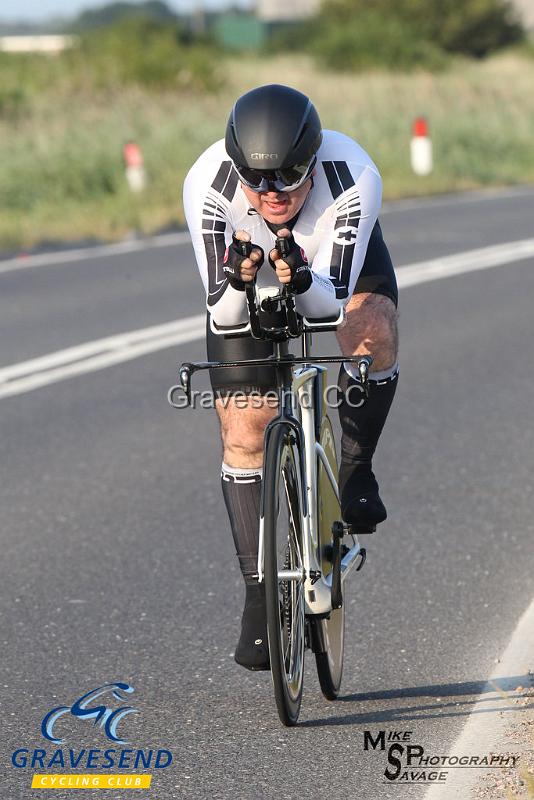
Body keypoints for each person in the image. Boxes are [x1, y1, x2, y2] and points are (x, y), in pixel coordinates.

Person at [183, 84, 399, 671]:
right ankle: (258, 595)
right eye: (258, 181)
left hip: (330, 262)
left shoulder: (352, 173)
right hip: (249, 276)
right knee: (246, 427)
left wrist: (299, 280)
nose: (272, 193)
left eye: (289, 176)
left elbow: (329, 307)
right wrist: (239, 278)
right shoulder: (208, 185)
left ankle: (355, 467)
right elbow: (223, 314)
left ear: (314, 158)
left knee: (369, 325)